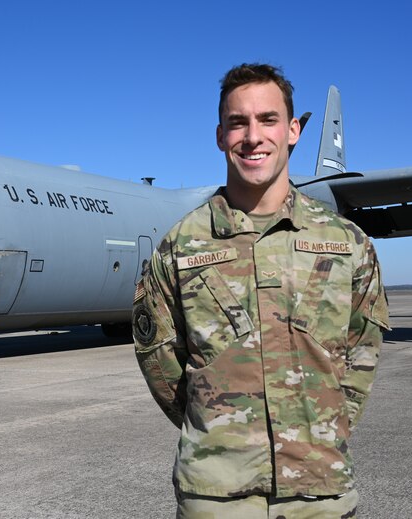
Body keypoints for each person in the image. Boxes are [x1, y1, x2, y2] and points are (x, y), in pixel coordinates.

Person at [132, 63, 390, 518]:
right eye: (238, 122)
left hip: (321, 491)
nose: (253, 136)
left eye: (268, 120)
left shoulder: (347, 243)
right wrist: (215, 429)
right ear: (220, 136)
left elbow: (362, 353)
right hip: (215, 495)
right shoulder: (180, 245)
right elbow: (160, 362)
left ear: (292, 130)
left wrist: (324, 428)